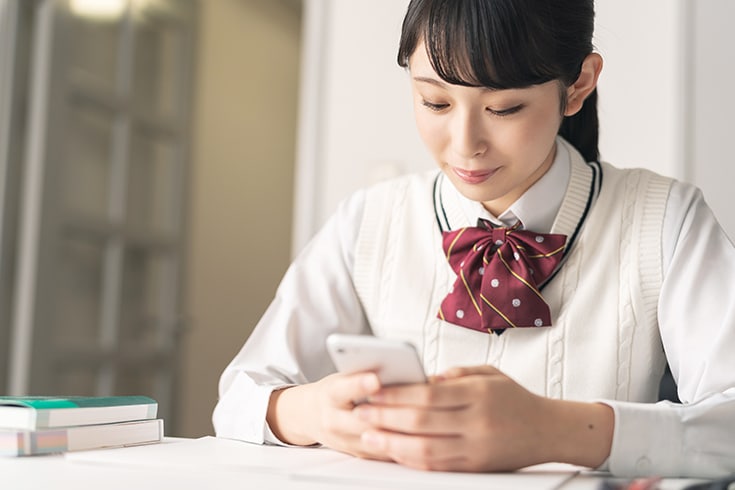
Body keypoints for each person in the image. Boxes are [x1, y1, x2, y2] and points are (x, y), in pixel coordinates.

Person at [213, 0, 735, 478]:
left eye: (504, 109)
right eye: (435, 103)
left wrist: (554, 430)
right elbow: (239, 396)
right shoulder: (369, 219)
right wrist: (313, 413)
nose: (465, 146)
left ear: (578, 85)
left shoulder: (666, 218)